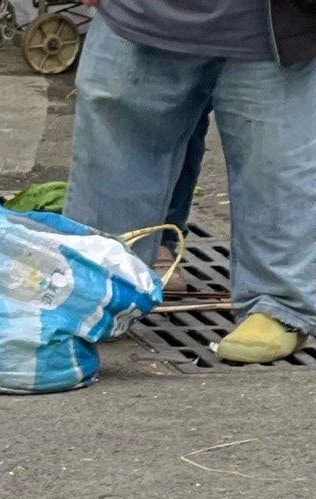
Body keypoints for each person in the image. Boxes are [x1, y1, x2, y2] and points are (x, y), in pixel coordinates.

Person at [66, 0, 316, 363]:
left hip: (272, 26)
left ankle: (279, 305)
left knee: (275, 162)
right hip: (137, 15)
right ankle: (100, 287)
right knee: (116, 149)